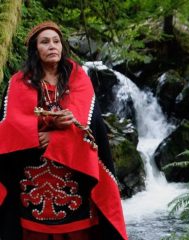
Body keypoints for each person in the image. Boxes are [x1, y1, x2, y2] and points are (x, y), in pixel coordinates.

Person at [0, 21, 127, 240]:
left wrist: (53, 136)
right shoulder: (18, 83)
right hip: (31, 183)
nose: (52, 46)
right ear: (35, 49)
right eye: (45, 42)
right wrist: (39, 130)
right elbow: (10, 125)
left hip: (74, 181)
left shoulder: (79, 79)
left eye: (56, 41)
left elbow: (90, 124)